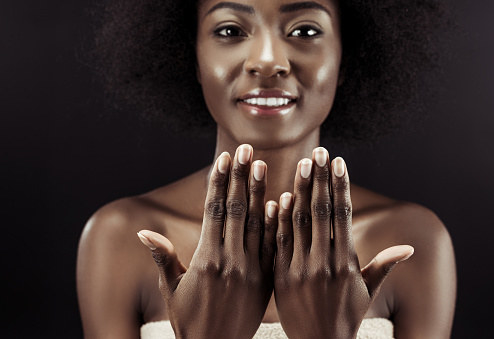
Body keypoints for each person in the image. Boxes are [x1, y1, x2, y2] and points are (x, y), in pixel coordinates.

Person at [77, 0, 456, 338]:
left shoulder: (412, 242)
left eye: (305, 30)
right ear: (190, 56)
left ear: (346, 57)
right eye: (230, 30)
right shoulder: (121, 237)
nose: (268, 61)